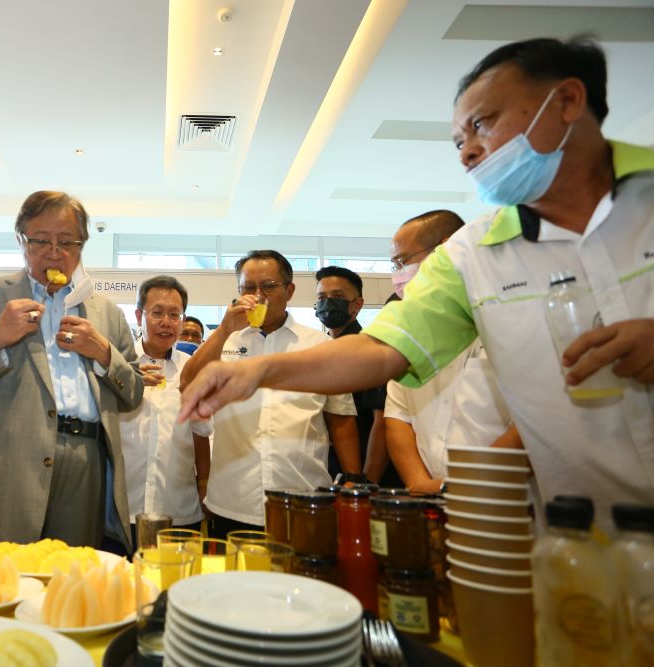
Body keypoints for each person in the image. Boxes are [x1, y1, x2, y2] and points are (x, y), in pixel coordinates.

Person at [179, 37, 654, 534]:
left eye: (482, 123)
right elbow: (383, 350)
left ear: (567, 101)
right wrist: (259, 372)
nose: (469, 151)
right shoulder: (475, 253)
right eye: (457, 140)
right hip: (561, 530)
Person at [0, 191, 143, 550]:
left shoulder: (108, 313)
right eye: (40, 240)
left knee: (66, 586)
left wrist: (104, 353)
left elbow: (133, 393)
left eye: (67, 242)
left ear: (82, 245)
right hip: (7, 467)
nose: (54, 252)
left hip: (86, 467)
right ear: (20, 240)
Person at [180, 250, 360, 538]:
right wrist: (225, 329)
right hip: (232, 501)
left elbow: (340, 418)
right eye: (248, 288)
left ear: (289, 290)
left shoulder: (319, 345)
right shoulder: (225, 342)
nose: (258, 295)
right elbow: (187, 381)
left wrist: (352, 479)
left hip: (303, 497)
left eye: (269, 286)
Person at [383, 211, 519, 494]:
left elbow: (532, 423)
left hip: (507, 497)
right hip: (429, 500)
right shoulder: (410, 336)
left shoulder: (504, 318)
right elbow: (398, 417)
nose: (398, 275)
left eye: (402, 261)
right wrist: (421, 484)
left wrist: (461, 485)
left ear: (445, 249)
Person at [120, 276, 211, 545]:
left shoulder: (192, 369)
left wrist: (204, 485)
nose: (166, 322)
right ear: (139, 316)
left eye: (174, 314)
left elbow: (200, 433)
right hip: (123, 508)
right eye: (157, 313)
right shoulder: (119, 364)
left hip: (179, 509)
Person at [314, 266, 400, 487]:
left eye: (338, 297)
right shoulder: (319, 348)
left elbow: (381, 423)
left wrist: (364, 482)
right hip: (331, 470)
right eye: (322, 297)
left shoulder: (370, 349)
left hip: (366, 472)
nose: (328, 303)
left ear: (357, 304)